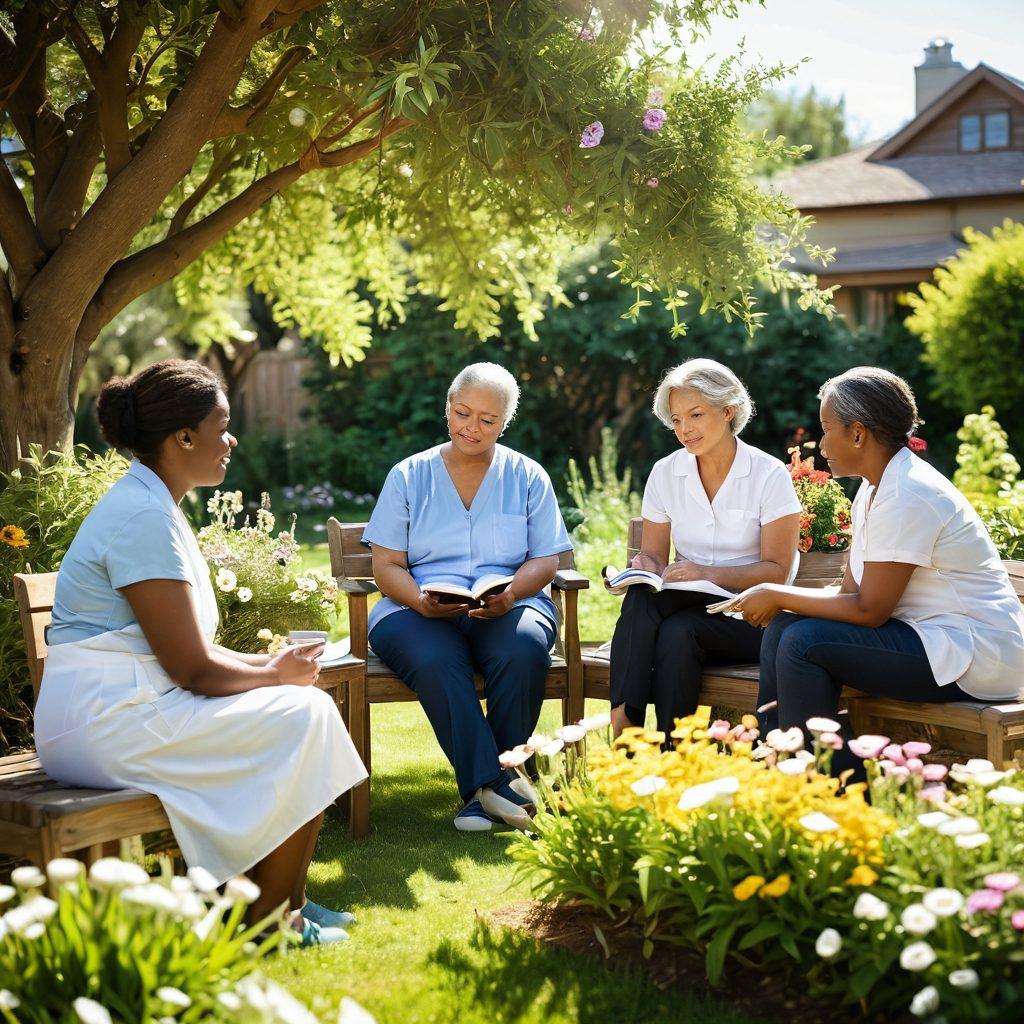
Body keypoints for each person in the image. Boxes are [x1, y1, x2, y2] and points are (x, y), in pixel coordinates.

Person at [35, 359, 366, 945]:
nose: (232, 439)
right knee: (305, 716)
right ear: (183, 437)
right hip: (104, 720)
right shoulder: (142, 516)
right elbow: (191, 667)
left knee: (302, 711)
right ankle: (267, 923)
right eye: (223, 425)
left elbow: (193, 653)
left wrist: (275, 669)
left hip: (133, 705)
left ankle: (290, 901)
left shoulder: (155, 504)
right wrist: (275, 676)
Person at [732, 366, 1024, 777]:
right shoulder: (875, 488)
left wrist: (778, 594)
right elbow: (849, 592)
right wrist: (779, 601)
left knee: (802, 642)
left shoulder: (910, 493)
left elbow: (870, 611)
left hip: (976, 654)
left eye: (826, 428)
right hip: (931, 638)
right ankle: (777, 765)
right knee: (785, 629)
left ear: (857, 433)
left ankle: (830, 785)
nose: (820, 442)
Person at [363, 362, 572, 832]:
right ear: (448, 409)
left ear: (505, 422)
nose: (471, 428)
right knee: (438, 660)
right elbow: (386, 565)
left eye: (487, 420)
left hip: (510, 603)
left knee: (520, 649)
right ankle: (499, 786)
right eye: (462, 413)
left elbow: (546, 560)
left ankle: (484, 796)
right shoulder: (408, 475)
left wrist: (513, 592)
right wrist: (419, 601)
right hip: (414, 607)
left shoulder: (528, 475)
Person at [608, 358, 801, 738]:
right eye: (676, 419)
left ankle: (646, 742)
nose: (684, 429)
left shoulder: (769, 475)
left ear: (728, 411)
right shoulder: (666, 472)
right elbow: (654, 556)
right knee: (645, 601)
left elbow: (778, 571)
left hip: (752, 619)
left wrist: (706, 573)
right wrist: (637, 570)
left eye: (695, 414)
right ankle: (635, 732)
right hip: (688, 609)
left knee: (679, 630)